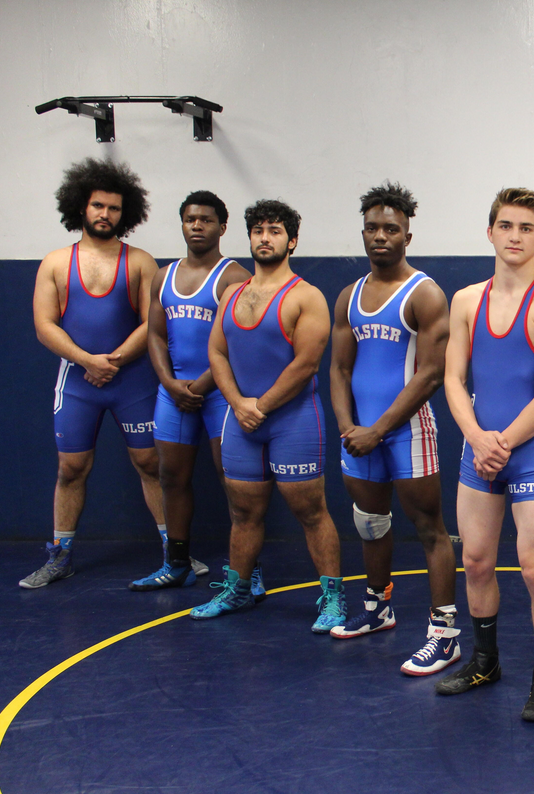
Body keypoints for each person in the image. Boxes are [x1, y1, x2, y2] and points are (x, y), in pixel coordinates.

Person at [435, 188, 534, 722]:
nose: (515, 236)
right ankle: (485, 660)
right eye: (506, 226)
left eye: (526, 227)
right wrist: (475, 436)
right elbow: (452, 377)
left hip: (527, 449)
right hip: (480, 447)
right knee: (474, 561)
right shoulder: (467, 300)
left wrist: (502, 441)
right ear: (490, 232)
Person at [189, 200, 348, 632]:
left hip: (292, 419)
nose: (265, 237)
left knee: (310, 510)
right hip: (241, 419)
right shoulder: (232, 294)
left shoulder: (306, 296)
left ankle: (333, 597)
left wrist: (259, 406)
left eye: (275, 230)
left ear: (291, 240)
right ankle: (239, 589)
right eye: (258, 230)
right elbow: (217, 352)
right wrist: (239, 404)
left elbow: (306, 363)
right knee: (242, 511)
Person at [328, 181, 461, 675]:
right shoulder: (348, 295)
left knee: (430, 530)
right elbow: (339, 370)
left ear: (407, 235)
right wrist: (348, 427)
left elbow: (429, 374)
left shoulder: (424, 294)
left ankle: (444, 636)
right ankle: (378, 609)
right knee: (369, 522)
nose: (380, 236)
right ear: (362, 233)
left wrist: (377, 430)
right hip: (360, 432)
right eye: (372, 228)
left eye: (391, 229)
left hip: (406, 433)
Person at [21, 159, 167, 588]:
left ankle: (173, 551)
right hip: (79, 384)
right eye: (98, 206)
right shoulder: (55, 263)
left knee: (150, 464)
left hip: (132, 380)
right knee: (71, 468)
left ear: (127, 213)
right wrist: (88, 361)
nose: (105, 214)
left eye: (114, 209)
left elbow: (152, 322)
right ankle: (60, 555)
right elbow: (44, 325)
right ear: (81, 207)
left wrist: (114, 360)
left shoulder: (140, 262)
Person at [131, 191, 252, 591]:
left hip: (218, 392)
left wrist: (199, 385)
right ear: (182, 224)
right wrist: (169, 383)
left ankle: (247, 572)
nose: (197, 226)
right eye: (190, 219)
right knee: (171, 477)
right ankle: (177, 563)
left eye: (205, 219)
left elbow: (237, 343)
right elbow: (155, 334)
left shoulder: (234, 277)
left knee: (232, 479)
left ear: (222, 227)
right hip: (174, 391)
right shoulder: (163, 277)